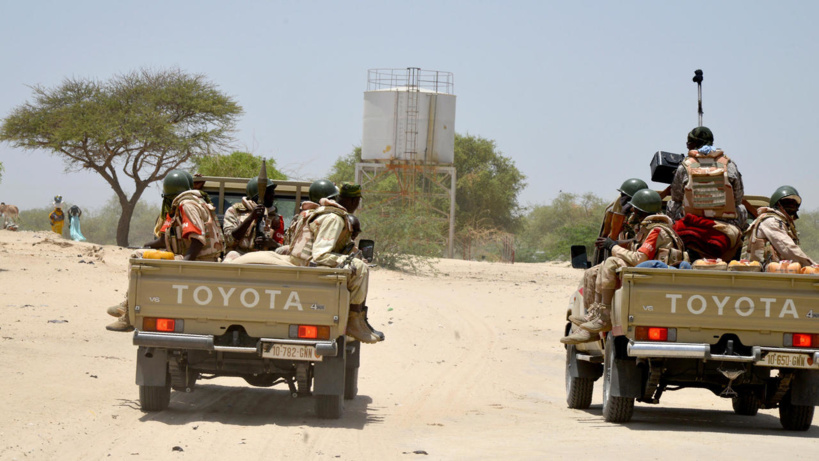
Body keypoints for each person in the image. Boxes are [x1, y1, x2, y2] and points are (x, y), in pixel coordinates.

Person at [562, 189, 687, 344]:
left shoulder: (656, 231)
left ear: (642, 212)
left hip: (654, 276)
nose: (632, 213)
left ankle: (604, 316)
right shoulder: (650, 229)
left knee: (611, 262)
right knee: (594, 271)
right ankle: (594, 317)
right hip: (650, 273)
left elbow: (638, 259)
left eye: (635, 210)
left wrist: (613, 247)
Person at [106, 171, 225, 332]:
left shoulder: (187, 205)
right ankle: (129, 302)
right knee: (142, 254)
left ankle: (128, 314)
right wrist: (147, 246)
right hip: (196, 258)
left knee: (138, 258)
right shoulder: (189, 203)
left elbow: (197, 240)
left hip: (198, 261)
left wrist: (183, 266)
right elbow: (165, 238)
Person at [287, 180, 383, 344]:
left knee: (355, 263)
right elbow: (320, 255)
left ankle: (359, 321)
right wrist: (349, 260)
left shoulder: (313, 213)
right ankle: (354, 321)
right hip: (309, 265)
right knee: (360, 268)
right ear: (354, 201)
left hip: (299, 263)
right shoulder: (334, 218)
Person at [667, 126, 746, 261]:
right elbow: (738, 198)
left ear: (693, 144)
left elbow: (676, 196)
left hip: (692, 220)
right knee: (742, 208)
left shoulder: (684, 167)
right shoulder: (729, 165)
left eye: (688, 144)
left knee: (671, 204)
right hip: (726, 221)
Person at [741, 186, 816, 267]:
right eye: (787, 202)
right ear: (777, 203)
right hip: (762, 275)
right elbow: (787, 248)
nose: (791, 205)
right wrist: (812, 266)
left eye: (793, 203)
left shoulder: (784, 223)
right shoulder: (772, 221)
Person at [222, 177, 284, 261]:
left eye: (273, 192)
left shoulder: (275, 217)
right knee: (231, 255)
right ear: (257, 195)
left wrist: (272, 243)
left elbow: (282, 246)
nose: (273, 195)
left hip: (266, 258)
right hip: (240, 257)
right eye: (269, 192)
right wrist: (251, 218)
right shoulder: (234, 211)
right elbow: (229, 240)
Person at [592, 178, 648, 265]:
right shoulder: (630, 217)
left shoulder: (648, 219)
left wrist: (613, 244)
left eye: (624, 196)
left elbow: (639, 241)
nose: (621, 199)